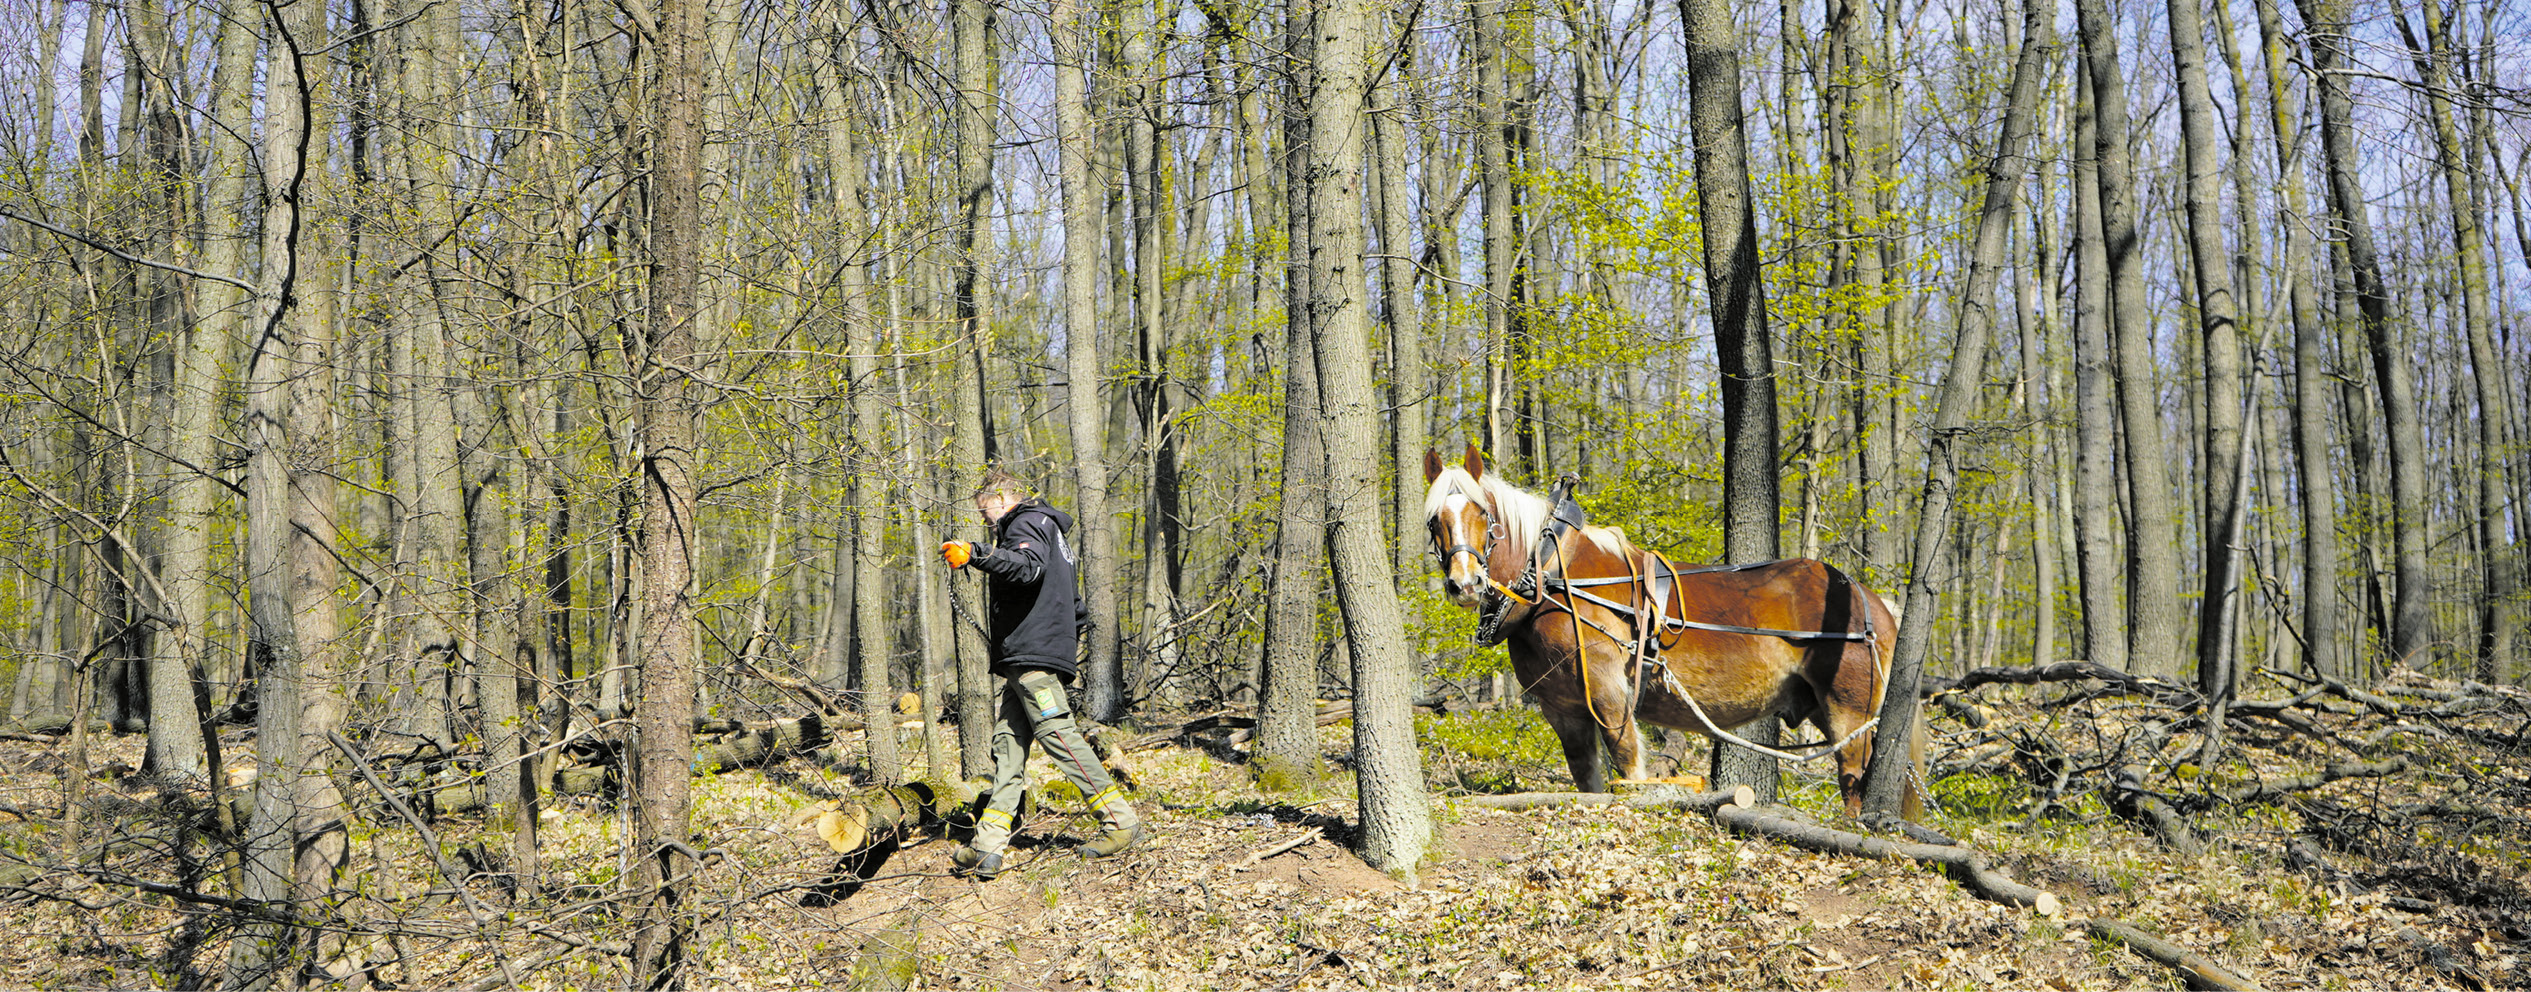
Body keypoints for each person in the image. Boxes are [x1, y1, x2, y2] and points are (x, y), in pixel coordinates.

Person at [938, 468, 1142, 879]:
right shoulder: (1050, 531)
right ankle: (988, 845)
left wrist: (976, 553)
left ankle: (1120, 820)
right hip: (1028, 656)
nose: (984, 518)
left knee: (1058, 735)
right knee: (1008, 746)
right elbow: (1074, 605)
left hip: (1033, 659)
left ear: (1001, 498)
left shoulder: (1027, 522)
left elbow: (1027, 569)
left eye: (985, 509)